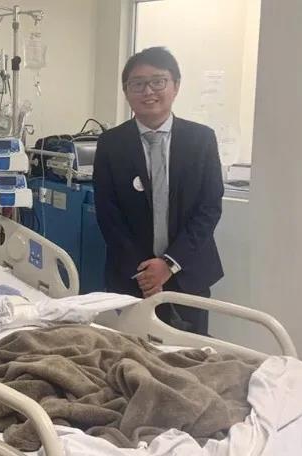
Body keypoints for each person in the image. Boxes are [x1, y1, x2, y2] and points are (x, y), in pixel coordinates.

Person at [93, 47, 224, 335]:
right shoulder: (111, 144)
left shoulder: (201, 140)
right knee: (131, 351)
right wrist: (146, 274)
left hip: (189, 271)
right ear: (126, 91)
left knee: (188, 352)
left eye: (158, 81)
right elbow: (108, 214)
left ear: (175, 85)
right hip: (132, 276)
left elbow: (209, 208)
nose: (148, 91)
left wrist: (169, 264)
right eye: (138, 84)